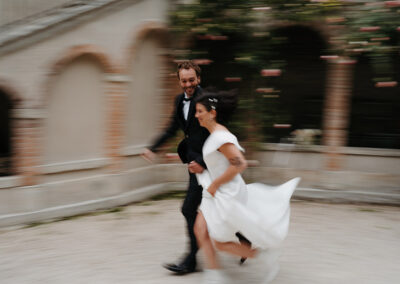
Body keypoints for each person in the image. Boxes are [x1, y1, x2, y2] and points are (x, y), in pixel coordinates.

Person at [193, 91, 300, 283]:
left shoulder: (219, 137)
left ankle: (262, 256)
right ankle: (215, 273)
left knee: (220, 242)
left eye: (200, 111)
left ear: (212, 113)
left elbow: (240, 164)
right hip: (216, 192)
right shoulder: (216, 134)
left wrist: (215, 184)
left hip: (225, 193)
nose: (196, 115)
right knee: (200, 230)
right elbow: (221, 163)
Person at [142, 60, 209, 274]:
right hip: (193, 163)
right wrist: (153, 147)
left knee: (189, 208)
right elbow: (172, 128)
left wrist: (203, 162)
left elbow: (217, 133)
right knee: (220, 206)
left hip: (208, 164)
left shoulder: (208, 100)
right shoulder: (179, 100)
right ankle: (244, 240)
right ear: (179, 81)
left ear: (198, 79)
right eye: (184, 80)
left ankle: (191, 260)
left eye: (191, 80)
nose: (188, 84)